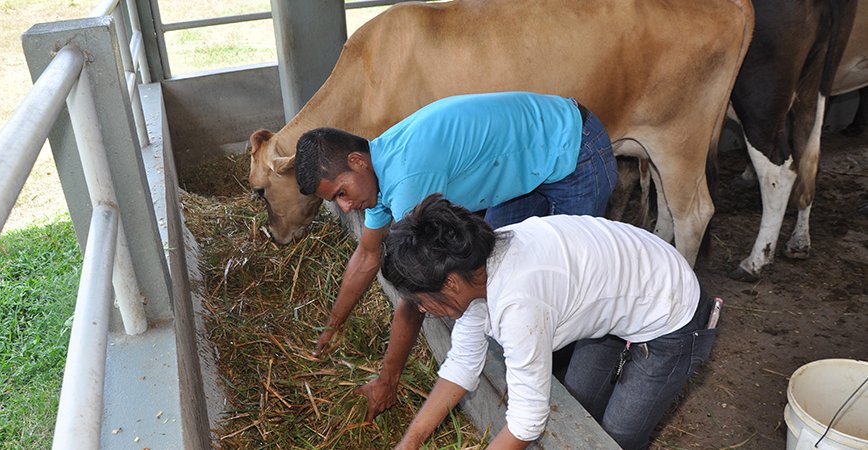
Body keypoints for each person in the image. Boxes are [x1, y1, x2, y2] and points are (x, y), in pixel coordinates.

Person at [294, 91, 618, 420]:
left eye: (342, 193)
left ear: (356, 161)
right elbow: (367, 254)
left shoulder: (407, 178)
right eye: (337, 201)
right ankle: (526, 368)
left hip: (572, 148)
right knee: (492, 271)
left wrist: (388, 381)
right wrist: (331, 328)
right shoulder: (377, 173)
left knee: (558, 289)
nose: (346, 207)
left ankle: (555, 393)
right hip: (525, 162)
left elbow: (416, 290)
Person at [381, 194, 718, 450]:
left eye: (420, 300)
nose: (422, 310)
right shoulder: (476, 266)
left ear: (449, 283)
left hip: (670, 311)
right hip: (615, 292)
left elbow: (527, 421)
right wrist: (410, 442)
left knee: (615, 436)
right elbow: (464, 363)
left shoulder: (519, 303)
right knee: (577, 403)